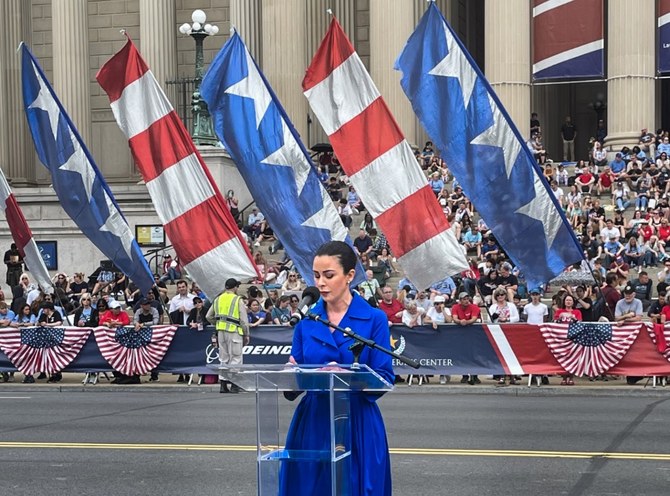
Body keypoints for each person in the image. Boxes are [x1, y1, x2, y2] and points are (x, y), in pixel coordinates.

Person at [282, 240, 393, 495]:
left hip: (357, 421)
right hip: (313, 421)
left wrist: (347, 376)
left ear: (350, 275)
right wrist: (291, 375)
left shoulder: (374, 319)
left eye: (329, 275)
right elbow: (291, 389)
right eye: (316, 276)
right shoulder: (305, 321)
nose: (320, 283)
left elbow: (384, 378)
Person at [206, 278, 249, 394]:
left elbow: (208, 316)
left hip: (221, 332)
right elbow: (243, 320)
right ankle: (235, 385)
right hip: (234, 331)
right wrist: (246, 334)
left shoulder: (218, 299)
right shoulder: (237, 299)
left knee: (223, 358)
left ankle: (223, 385)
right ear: (235, 287)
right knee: (236, 357)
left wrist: (218, 323)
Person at [452, 292, 482, 385]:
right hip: (461, 334)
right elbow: (454, 318)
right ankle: (464, 375)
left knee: (475, 354)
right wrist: (460, 321)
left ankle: (475, 376)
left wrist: (466, 322)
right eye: (464, 299)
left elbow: (473, 319)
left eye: (467, 299)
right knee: (463, 354)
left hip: (474, 334)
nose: (466, 301)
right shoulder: (455, 307)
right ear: (460, 300)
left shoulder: (474, 307)